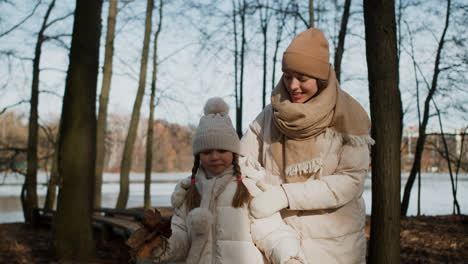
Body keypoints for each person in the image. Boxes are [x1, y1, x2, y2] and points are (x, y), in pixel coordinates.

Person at [241, 28, 374, 263]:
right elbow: (242, 161)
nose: (293, 86)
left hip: (334, 248)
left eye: (302, 78)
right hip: (281, 243)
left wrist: (284, 194)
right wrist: (261, 189)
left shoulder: (349, 117)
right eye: (287, 76)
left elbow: (350, 181)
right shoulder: (269, 115)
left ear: (321, 79)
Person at [146, 97, 308, 264]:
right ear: (198, 155)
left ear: (234, 152)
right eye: (207, 151)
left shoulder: (249, 188)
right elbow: (180, 235)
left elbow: (273, 234)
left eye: (222, 150)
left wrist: (290, 258)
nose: (215, 157)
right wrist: (162, 246)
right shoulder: (190, 193)